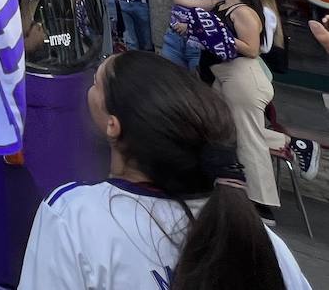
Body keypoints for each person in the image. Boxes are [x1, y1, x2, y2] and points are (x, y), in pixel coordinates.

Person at [19, 51, 309, 289]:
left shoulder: (73, 215)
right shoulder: (260, 239)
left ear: (112, 124)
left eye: (96, 82)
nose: (90, 86)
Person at [169, 0, 281, 222]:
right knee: (220, 128)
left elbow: (252, 49)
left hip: (242, 76)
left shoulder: (244, 12)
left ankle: (260, 204)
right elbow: (181, 0)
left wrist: (219, 37)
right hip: (223, 75)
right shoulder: (218, 5)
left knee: (247, 137)